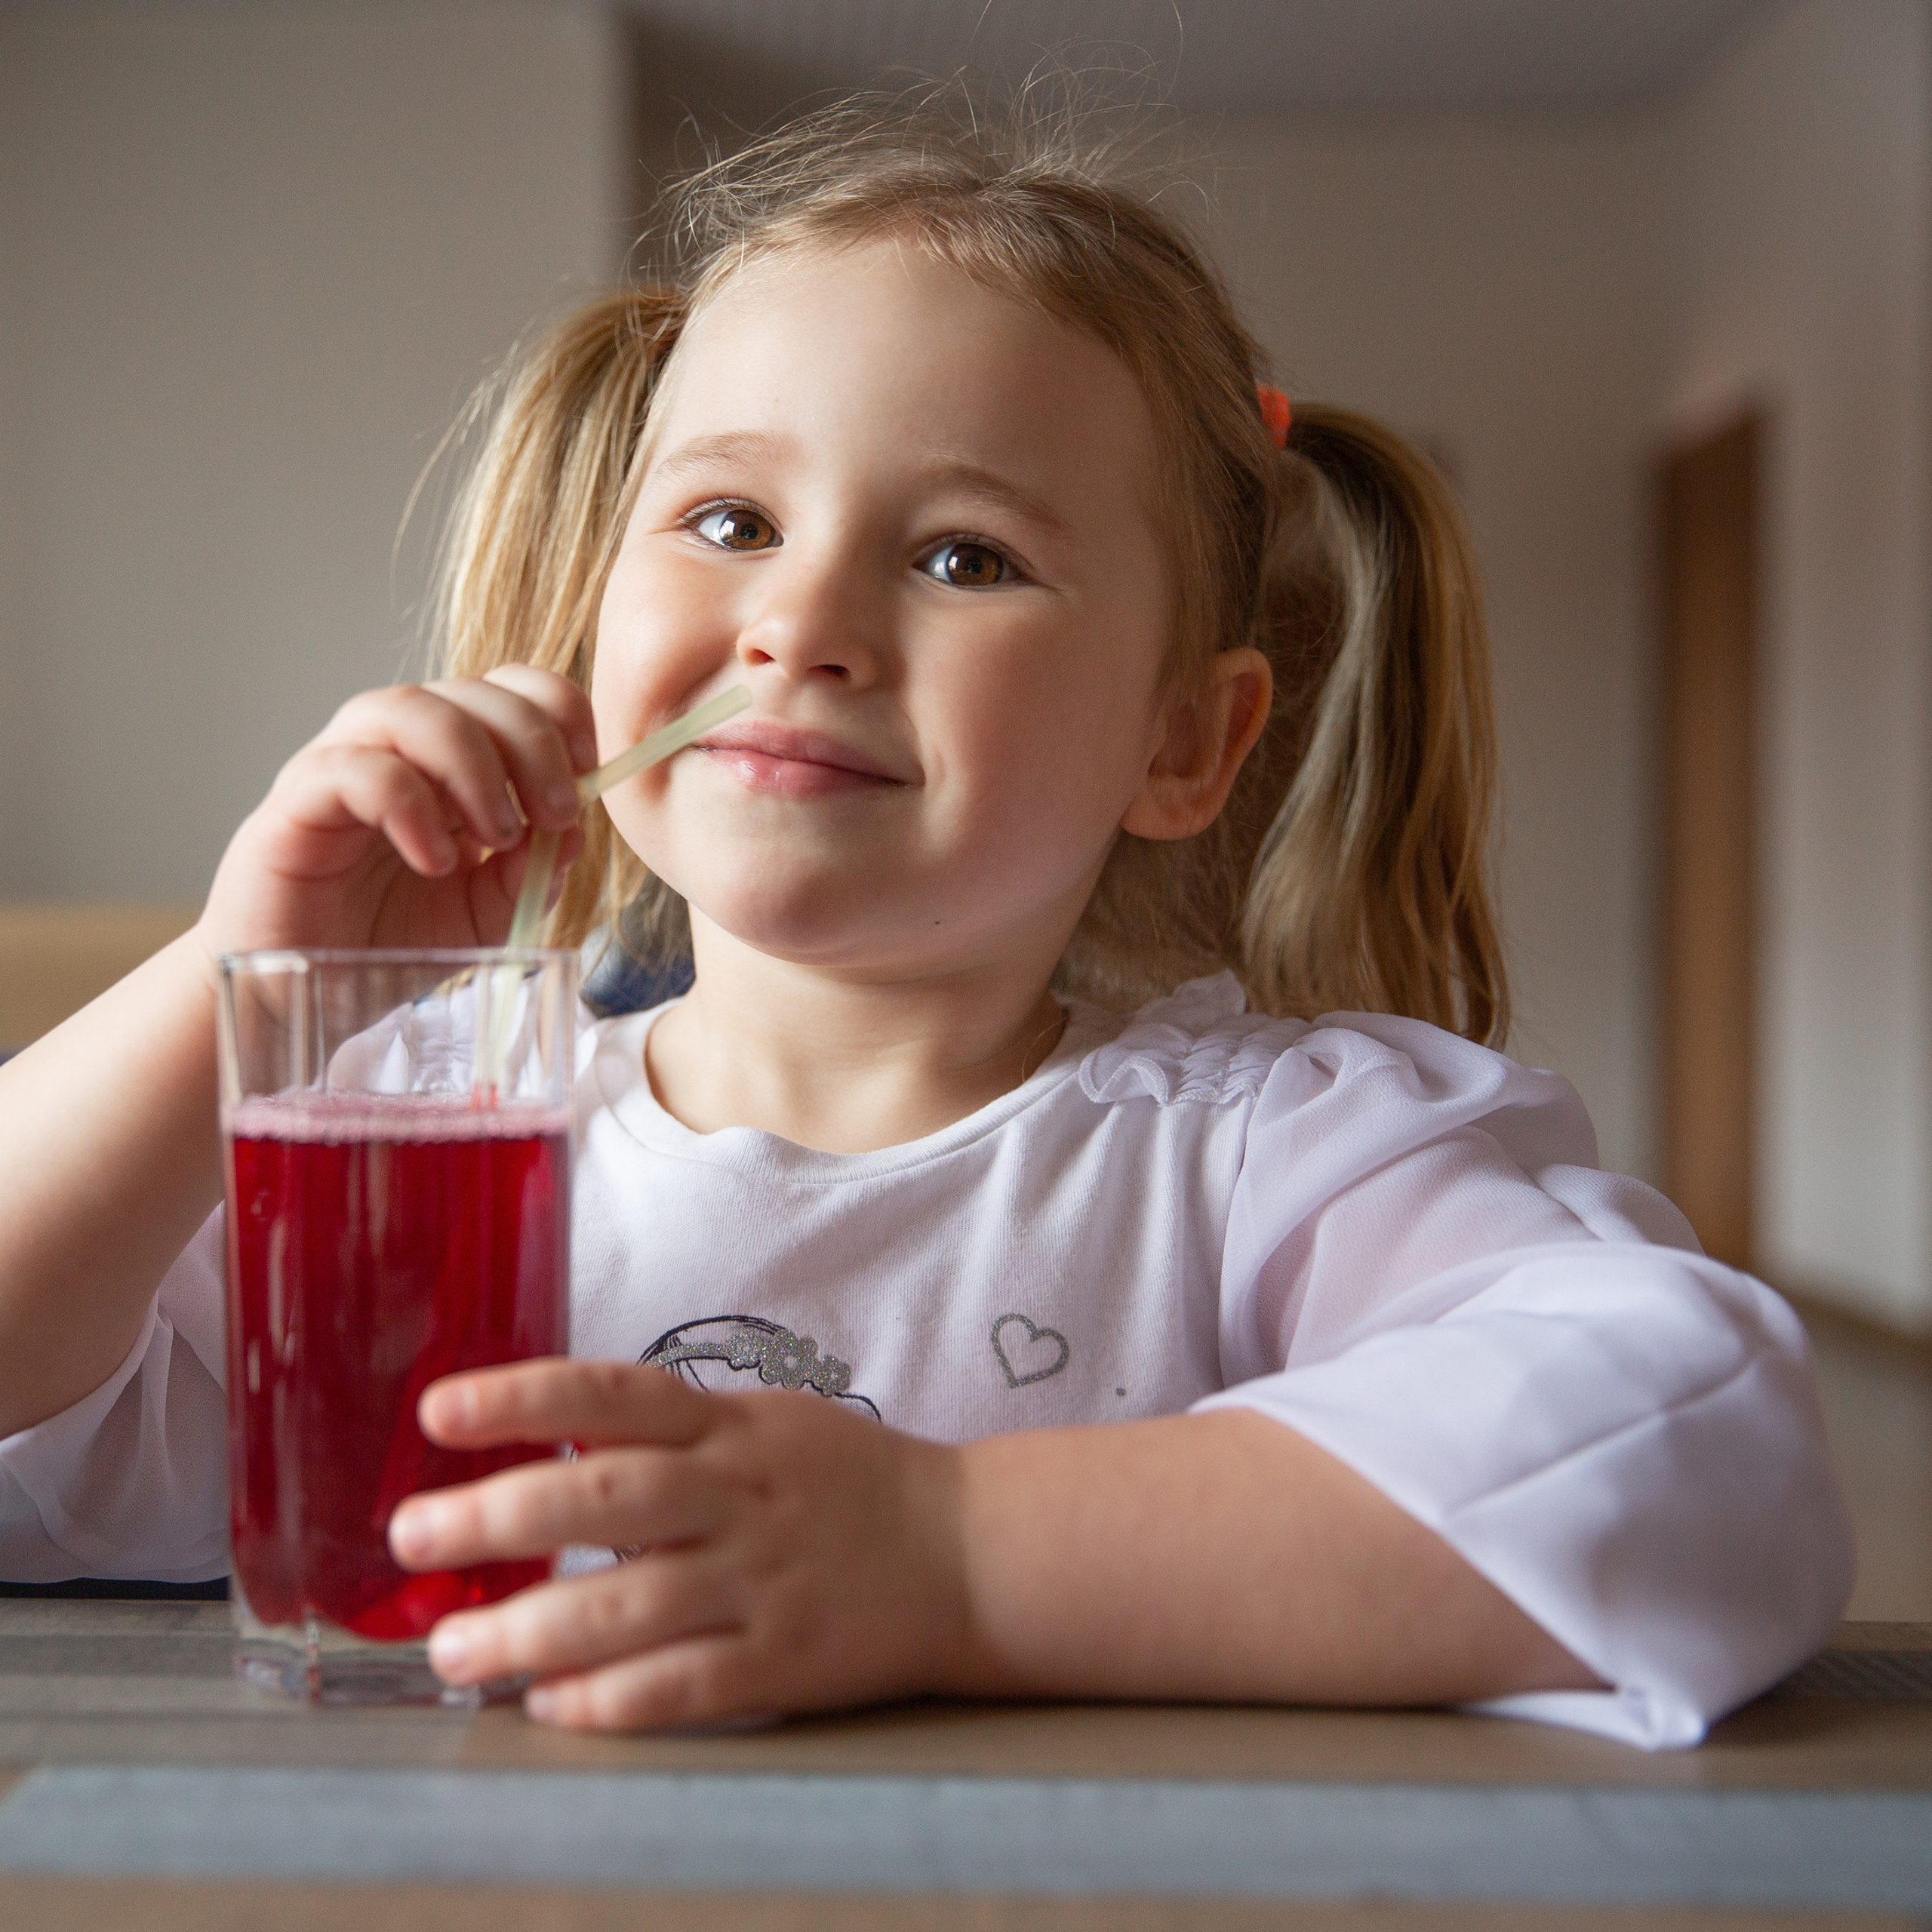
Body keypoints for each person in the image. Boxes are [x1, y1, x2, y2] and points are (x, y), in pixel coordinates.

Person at [0, 94, 1850, 1749]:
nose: (798, 622)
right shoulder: (408, 1130)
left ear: (1179, 740)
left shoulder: (1274, 1155)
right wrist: (233, 987)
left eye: (963, 553)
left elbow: (1700, 1454)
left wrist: (953, 1555)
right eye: (727, 518)